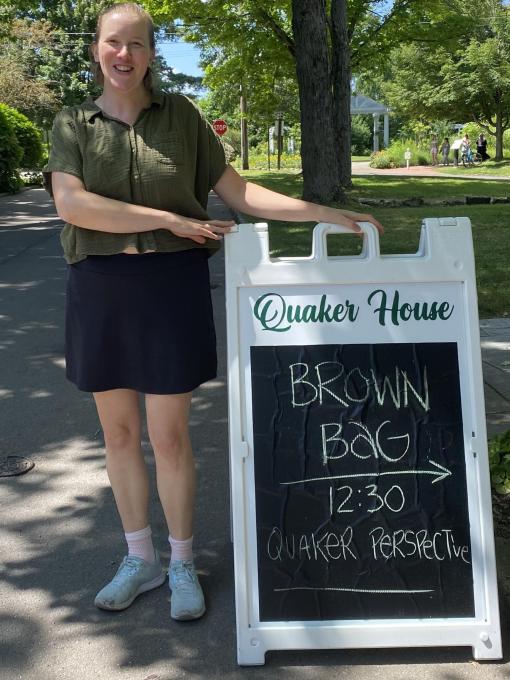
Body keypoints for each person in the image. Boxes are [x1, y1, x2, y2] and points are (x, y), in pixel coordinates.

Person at [43, 2, 383, 622]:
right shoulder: (72, 123)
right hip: (98, 285)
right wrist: (172, 219)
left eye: (138, 44)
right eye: (114, 43)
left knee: (169, 436)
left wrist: (322, 212)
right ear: (97, 49)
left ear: (151, 53)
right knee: (118, 435)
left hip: (170, 287)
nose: (125, 55)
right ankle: (137, 557)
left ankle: (178, 562)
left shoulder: (183, 118)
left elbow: (239, 192)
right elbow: (74, 206)